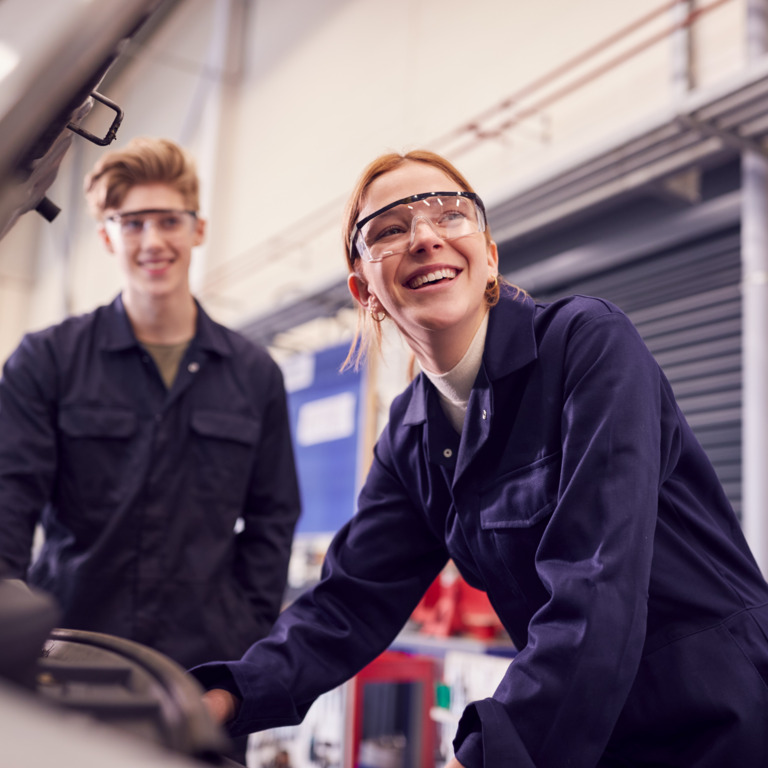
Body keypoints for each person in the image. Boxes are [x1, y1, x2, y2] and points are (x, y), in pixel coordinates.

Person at [191, 149, 768, 768]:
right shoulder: (410, 437)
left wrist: (484, 755)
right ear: (365, 290)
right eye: (389, 229)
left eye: (449, 214)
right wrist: (220, 696)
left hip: (719, 719)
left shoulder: (587, 344)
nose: (424, 237)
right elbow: (348, 603)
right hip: (591, 739)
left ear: (488, 254)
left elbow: (597, 580)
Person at [0, 137, 301, 673]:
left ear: (197, 228)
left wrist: (248, 628)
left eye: (168, 220)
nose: (152, 240)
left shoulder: (254, 374)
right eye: (132, 223)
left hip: (205, 670)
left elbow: (273, 518)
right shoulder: (48, 360)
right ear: (107, 237)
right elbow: (8, 495)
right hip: (66, 658)